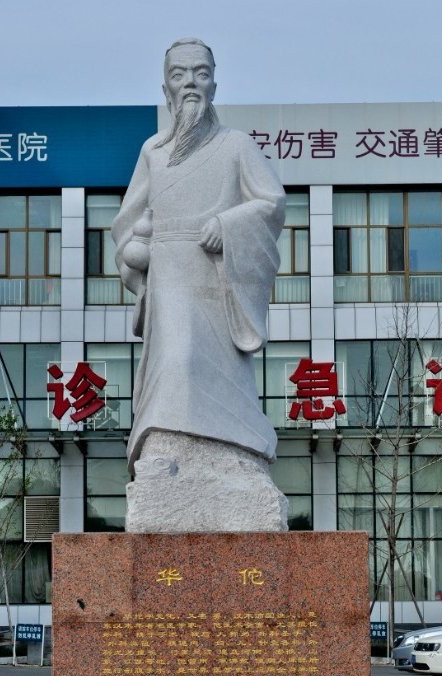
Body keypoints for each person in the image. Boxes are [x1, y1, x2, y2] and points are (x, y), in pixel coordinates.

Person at [112, 38, 286, 474]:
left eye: (201, 73)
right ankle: (165, 447)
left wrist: (228, 224)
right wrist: (135, 248)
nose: (190, 82)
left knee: (217, 366)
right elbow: (127, 220)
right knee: (176, 357)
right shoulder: (153, 152)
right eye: (179, 74)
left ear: (214, 85)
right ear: (166, 89)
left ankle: (235, 449)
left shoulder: (236, 146)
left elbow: (271, 202)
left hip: (217, 273)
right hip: (169, 273)